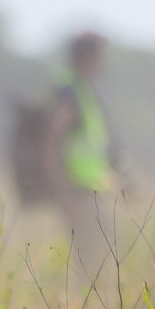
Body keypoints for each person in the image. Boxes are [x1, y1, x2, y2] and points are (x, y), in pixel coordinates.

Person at [45, 31, 121, 260]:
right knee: (92, 264)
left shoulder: (80, 89)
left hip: (91, 190)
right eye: (100, 54)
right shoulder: (69, 92)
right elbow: (50, 145)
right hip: (78, 192)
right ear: (87, 56)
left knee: (98, 262)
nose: (103, 61)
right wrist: (63, 192)